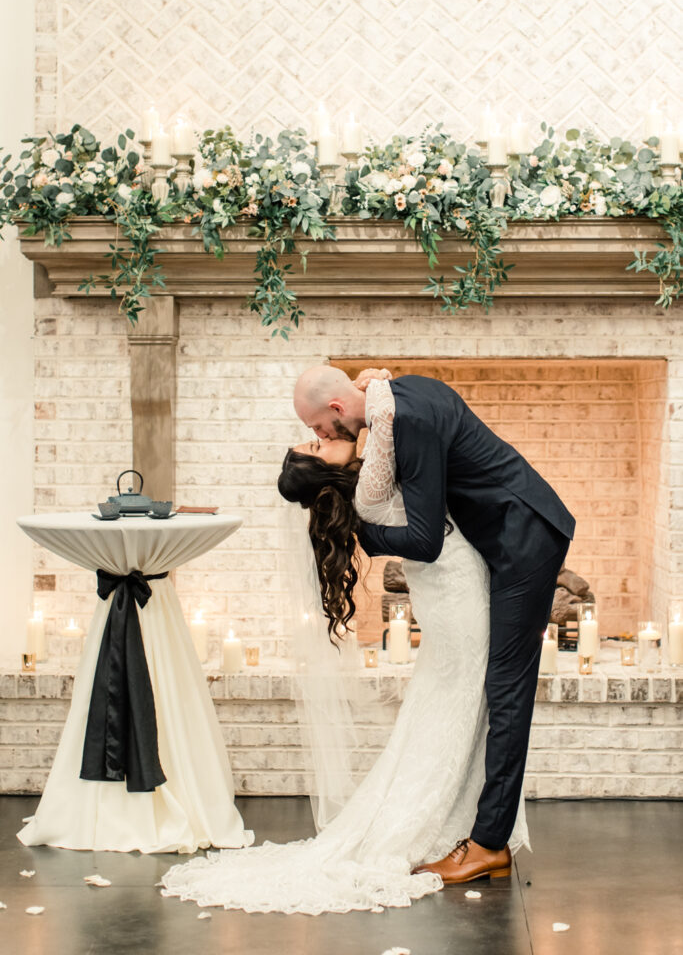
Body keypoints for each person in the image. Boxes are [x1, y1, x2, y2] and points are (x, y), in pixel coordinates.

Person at [160, 369, 528, 915]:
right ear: (321, 471)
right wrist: (375, 390)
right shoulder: (367, 489)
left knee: (454, 700)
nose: (323, 437)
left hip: (454, 587)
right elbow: (388, 448)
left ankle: (472, 826)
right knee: (458, 699)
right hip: (455, 590)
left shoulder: (367, 465)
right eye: (315, 442)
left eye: (317, 430)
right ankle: (458, 829)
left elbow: (380, 419)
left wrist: (376, 383)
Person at [292, 365, 574, 885]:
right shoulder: (397, 395)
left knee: (506, 690)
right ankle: (480, 826)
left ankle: (488, 844)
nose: (318, 439)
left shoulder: (407, 420)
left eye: (318, 430)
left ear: (336, 409)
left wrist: (360, 534)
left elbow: (424, 542)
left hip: (523, 541)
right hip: (509, 532)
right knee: (494, 690)